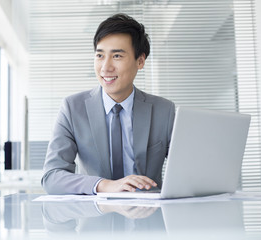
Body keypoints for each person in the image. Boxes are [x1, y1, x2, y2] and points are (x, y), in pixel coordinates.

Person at [41, 13, 175, 195]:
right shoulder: (73, 108)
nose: (105, 67)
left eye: (117, 56)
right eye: (100, 55)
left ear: (140, 61)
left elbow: (190, 170)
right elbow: (52, 177)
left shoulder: (164, 110)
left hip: (149, 217)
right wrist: (104, 185)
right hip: (96, 217)